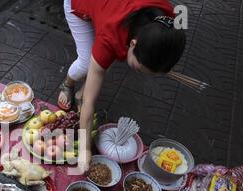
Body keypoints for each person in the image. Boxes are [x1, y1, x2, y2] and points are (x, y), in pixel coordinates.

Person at [58, 0, 186, 172]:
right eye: (139, 69)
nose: (139, 74)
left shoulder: (169, 24)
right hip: (78, 4)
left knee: (102, 64)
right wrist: (84, 150)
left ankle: (82, 92)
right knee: (87, 63)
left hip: (110, 9)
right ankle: (68, 84)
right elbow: (89, 105)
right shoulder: (110, 37)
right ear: (132, 44)